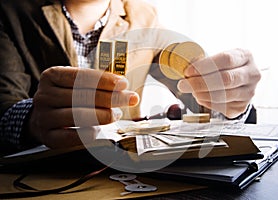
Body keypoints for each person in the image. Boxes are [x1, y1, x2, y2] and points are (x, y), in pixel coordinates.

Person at [0, 0, 261, 155]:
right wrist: (31, 119)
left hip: (119, 174)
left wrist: (230, 100)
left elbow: (196, 94)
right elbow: (3, 109)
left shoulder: (143, 15)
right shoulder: (10, 11)